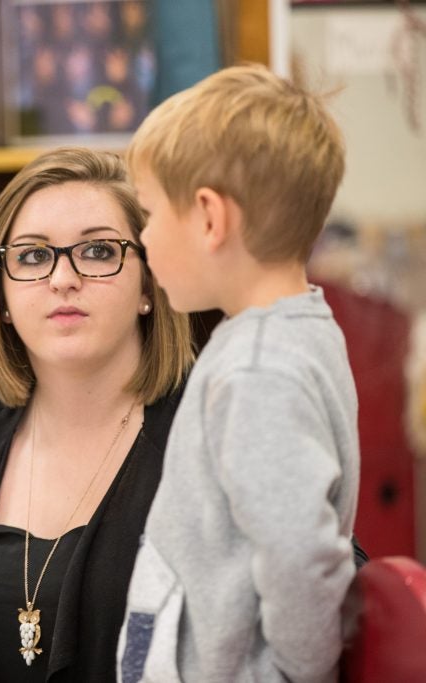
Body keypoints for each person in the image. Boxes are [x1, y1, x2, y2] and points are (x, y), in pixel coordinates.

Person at [0, 146, 194, 682]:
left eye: (98, 251)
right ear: (2, 294)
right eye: (32, 256)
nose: (63, 278)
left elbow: (331, 586)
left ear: (148, 283)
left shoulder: (206, 431)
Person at [117, 64, 358, 683]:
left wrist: (300, 672)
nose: (141, 238)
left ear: (208, 219)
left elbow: (301, 554)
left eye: (146, 214)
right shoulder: (297, 331)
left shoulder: (258, 369)